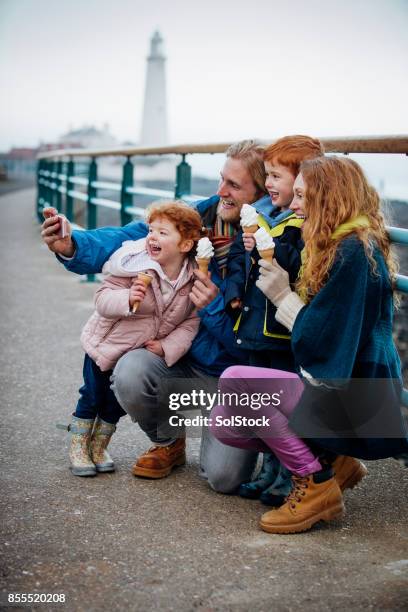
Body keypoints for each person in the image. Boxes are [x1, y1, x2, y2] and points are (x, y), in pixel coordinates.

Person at [41, 140, 268, 492]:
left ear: (264, 192)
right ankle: (169, 442)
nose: (221, 190)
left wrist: (212, 308)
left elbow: (259, 341)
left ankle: (263, 447)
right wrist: (73, 245)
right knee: (130, 369)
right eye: (222, 179)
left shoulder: (275, 242)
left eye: (234, 186)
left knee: (223, 479)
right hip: (189, 364)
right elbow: (131, 238)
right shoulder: (202, 219)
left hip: (235, 376)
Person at [210, 156, 408, 533]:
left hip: (360, 402)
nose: (294, 205)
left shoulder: (352, 253)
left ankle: (315, 484)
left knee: (237, 380)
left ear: (328, 198)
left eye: (302, 196)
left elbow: (322, 347)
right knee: (225, 423)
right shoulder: (338, 245)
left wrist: (282, 294)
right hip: (350, 392)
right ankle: (333, 461)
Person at [63, 201, 202, 477]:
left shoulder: (193, 277)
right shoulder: (133, 265)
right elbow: (102, 299)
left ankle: (99, 447)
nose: (152, 237)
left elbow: (191, 322)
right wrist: (127, 298)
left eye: (163, 233)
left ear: (185, 245)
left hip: (136, 352)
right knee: (92, 397)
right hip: (107, 345)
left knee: (115, 405)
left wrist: (166, 347)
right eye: (151, 230)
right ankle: (79, 446)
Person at [224, 136, 324, 505]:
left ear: (303, 181)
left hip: (281, 334)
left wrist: (270, 246)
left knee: (280, 410)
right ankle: (268, 470)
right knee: (258, 403)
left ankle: (288, 474)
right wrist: (232, 291)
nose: (269, 184)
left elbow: (299, 268)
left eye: (276, 176)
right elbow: (239, 259)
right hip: (253, 329)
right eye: (266, 175)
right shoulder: (264, 215)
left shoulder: (303, 225)